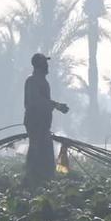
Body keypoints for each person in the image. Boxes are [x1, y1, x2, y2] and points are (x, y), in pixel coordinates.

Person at [22, 53, 69, 185]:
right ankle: (31, 179)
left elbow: (43, 102)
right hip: (35, 123)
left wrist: (56, 106)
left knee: (46, 153)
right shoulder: (32, 81)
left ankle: (45, 180)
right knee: (37, 150)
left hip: (43, 124)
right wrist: (56, 105)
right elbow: (36, 102)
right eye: (45, 64)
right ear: (39, 65)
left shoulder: (42, 81)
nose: (47, 66)